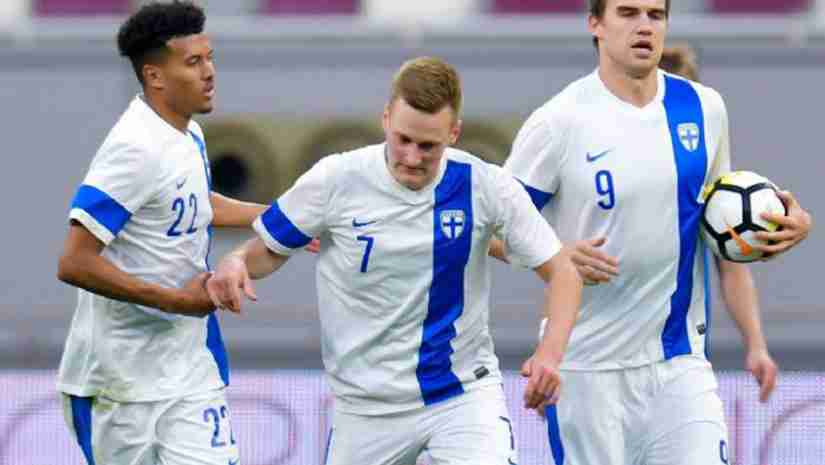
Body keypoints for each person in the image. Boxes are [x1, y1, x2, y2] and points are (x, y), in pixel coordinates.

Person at [206, 56, 583, 465]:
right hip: (364, 409)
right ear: (386, 118)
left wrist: (549, 354)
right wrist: (236, 260)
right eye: (403, 139)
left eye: (428, 146)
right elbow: (267, 249)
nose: (413, 157)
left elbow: (562, 270)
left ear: (454, 133)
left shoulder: (485, 184)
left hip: (461, 396)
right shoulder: (336, 179)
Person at [500, 1, 813, 464]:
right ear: (595, 24)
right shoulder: (559, 122)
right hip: (587, 369)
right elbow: (491, 228)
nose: (644, 26)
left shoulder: (704, 108)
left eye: (655, 14)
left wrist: (785, 224)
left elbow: (722, 220)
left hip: (679, 363)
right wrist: (554, 252)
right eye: (628, 13)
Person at [56, 2, 267, 464]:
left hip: (189, 368)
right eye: (193, 62)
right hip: (120, 384)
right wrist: (172, 301)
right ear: (154, 76)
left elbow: (193, 202)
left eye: (209, 58)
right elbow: (74, 261)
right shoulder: (133, 148)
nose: (209, 72)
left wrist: (272, 218)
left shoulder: (189, 135)